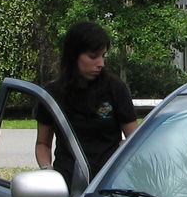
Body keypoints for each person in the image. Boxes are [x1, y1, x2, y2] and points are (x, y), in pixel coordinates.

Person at [35, 21, 138, 183]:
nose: (101, 64)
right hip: (66, 188)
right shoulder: (52, 94)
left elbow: (135, 140)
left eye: (103, 56)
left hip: (109, 185)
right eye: (93, 56)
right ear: (73, 55)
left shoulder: (115, 88)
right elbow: (43, 144)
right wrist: (47, 172)